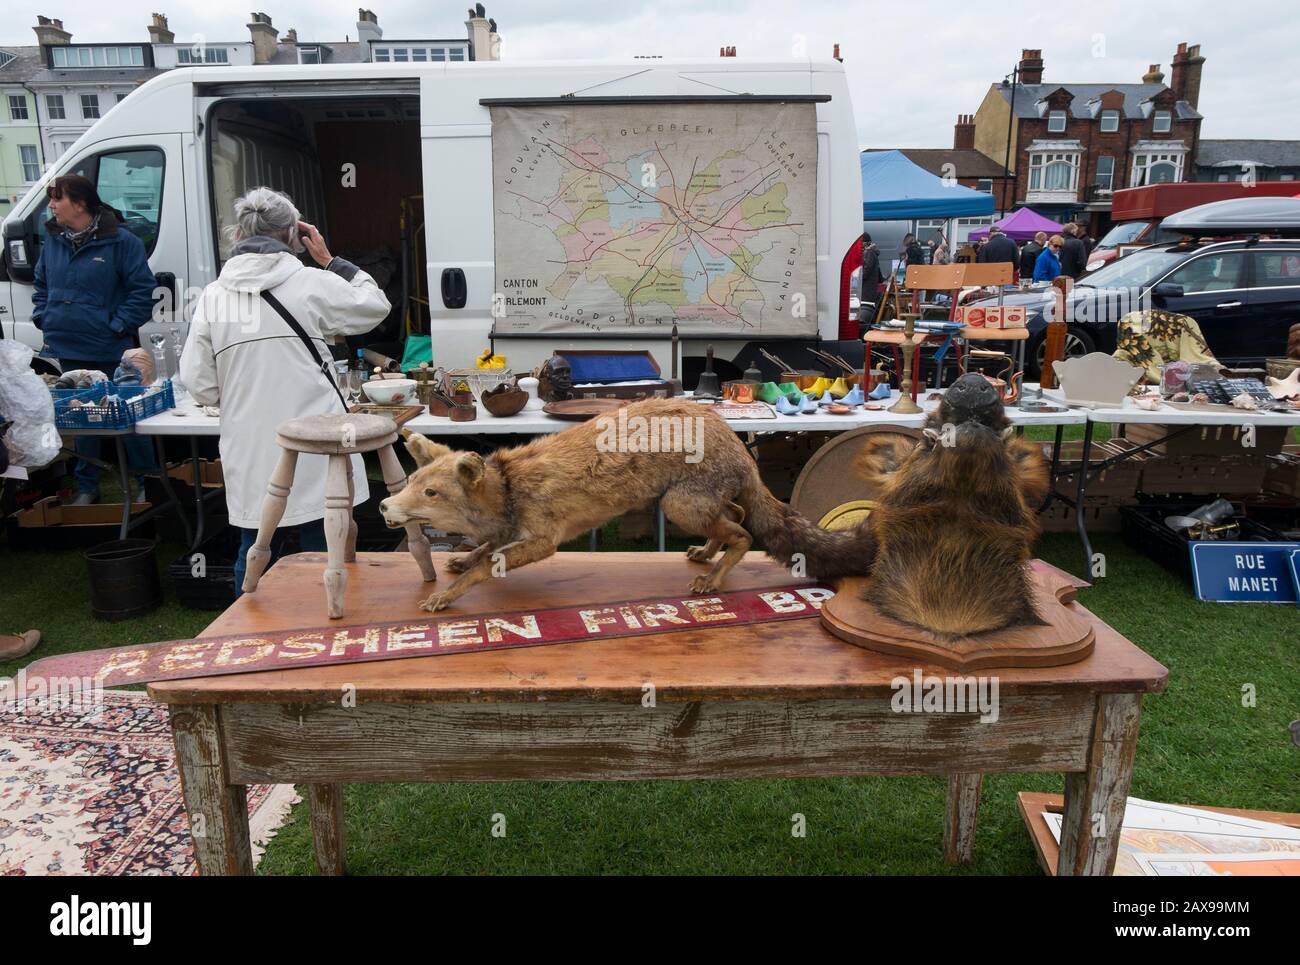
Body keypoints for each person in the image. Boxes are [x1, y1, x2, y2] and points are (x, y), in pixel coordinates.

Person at [180, 187, 391, 592]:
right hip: (315, 439)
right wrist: (330, 260)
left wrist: (243, 396)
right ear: (294, 235)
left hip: (252, 442)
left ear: (239, 235)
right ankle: (327, 626)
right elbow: (374, 304)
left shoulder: (213, 297)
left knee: (255, 542)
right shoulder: (312, 282)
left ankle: (249, 632)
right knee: (322, 542)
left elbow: (199, 384)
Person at [33, 174, 157, 505]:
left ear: (81, 203)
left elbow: (143, 291)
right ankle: (87, 488)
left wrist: (117, 326)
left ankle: (150, 484)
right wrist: (44, 317)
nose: (52, 205)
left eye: (57, 198)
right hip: (69, 346)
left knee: (129, 419)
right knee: (82, 420)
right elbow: (41, 284)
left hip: (112, 346)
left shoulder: (122, 241)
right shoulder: (54, 241)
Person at [860, 232, 883, 299]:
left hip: (867, 289)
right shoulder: (871, 252)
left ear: (865, 243)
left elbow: (866, 271)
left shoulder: (869, 253)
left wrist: (857, 278)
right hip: (870, 288)